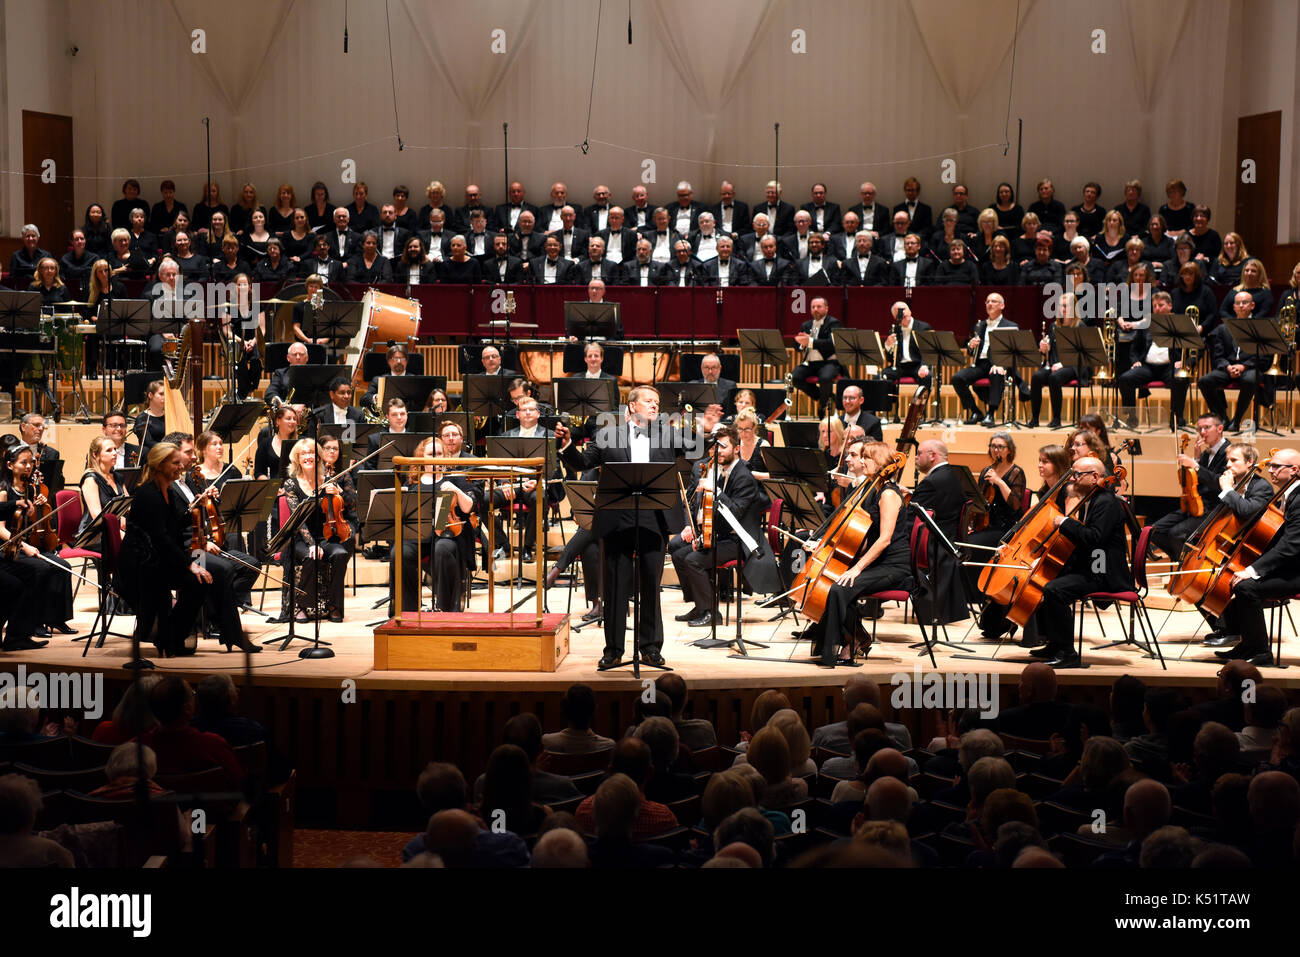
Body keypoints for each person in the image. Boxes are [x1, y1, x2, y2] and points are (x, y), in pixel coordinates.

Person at [555, 386, 682, 670]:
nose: (654, 406)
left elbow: (696, 448)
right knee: (614, 587)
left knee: (651, 585)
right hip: (617, 518)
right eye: (649, 402)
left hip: (653, 517)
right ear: (632, 406)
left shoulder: (667, 435)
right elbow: (583, 462)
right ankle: (613, 650)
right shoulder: (607, 435)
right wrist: (566, 446)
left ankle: (650, 648)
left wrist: (706, 431)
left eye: (657, 403)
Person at [796, 442, 913, 666]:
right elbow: (866, 534)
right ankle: (856, 638)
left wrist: (857, 568)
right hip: (878, 562)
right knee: (835, 582)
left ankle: (847, 647)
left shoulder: (888, 494)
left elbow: (885, 538)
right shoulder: (874, 489)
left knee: (840, 588)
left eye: (867, 458)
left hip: (894, 566)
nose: (861, 462)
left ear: (880, 463)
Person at [668, 426, 780, 627]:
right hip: (720, 534)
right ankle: (700, 605)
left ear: (737, 449)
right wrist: (698, 532)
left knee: (693, 560)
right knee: (677, 552)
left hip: (739, 539)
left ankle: (712, 613)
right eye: (716, 446)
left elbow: (734, 514)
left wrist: (716, 490)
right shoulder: (721, 471)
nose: (718, 451)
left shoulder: (744, 477)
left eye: (724, 446)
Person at [114, 443, 211, 657]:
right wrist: (190, 564)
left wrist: (196, 506)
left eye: (180, 462)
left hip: (157, 560)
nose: (181, 467)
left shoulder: (168, 491)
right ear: (160, 465)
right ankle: (168, 637)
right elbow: (161, 538)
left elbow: (174, 523)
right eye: (175, 463)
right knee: (196, 578)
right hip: (139, 565)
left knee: (200, 582)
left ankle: (169, 636)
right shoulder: (148, 494)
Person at [1214, 448, 1300, 666]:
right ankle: (1249, 644)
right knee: (1237, 581)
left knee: (1246, 586)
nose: (1270, 470)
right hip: (1288, 566)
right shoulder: (1289, 494)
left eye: (1276, 466)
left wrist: (1252, 570)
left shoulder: (1299, 499)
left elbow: (1290, 546)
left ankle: (1261, 651)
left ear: (1294, 470)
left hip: (1296, 571)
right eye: (1270, 465)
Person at [1195, 443, 1277, 649]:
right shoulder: (1235, 484)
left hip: (1254, 551)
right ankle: (1224, 627)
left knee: (1211, 579)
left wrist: (1228, 490)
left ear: (1250, 463)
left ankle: (1231, 629)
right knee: (1195, 578)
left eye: (1234, 460)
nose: (1228, 464)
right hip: (1231, 546)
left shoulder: (1262, 487)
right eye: (1227, 460)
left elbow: (1245, 510)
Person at [280, 439, 349, 623]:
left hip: (325, 535)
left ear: (318, 457)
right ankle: (301, 605)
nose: (308, 456)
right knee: (312, 556)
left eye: (311, 453)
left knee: (341, 554)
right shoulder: (291, 484)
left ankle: (334, 605)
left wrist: (338, 493)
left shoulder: (328, 481)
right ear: (297, 458)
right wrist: (311, 544)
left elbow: (347, 506)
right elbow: (298, 519)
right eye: (304, 453)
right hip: (300, 538)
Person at [910, 440, 970, 625]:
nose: (916, 457)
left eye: (919, 453)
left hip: (934, 544)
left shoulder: (931, 482)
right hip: (948, 540)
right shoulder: (950, 475)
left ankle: (872, 605)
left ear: (932, 455)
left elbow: (911, 517)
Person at [1199, 292, 1272, 431]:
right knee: (1204, 381)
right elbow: (1218, 355)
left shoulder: (1261, 327)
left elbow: (1263, 356)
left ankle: (1237, 420)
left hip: (1250, 368)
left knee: (1251, 380)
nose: (1241, 306)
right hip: (1229, 368)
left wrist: (1243, 366)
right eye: (1238, 303)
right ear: (1233, 307)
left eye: (1244, 303)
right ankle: (1223, 419)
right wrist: (1227, 367)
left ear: (1252, 305)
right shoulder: (1223, 328)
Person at [953, 292, 1020, 426]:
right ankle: (975, 411)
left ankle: (990, 414)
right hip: (980, 364)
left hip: (999, 364)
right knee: (957, 378)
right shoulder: (980, 325)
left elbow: (1014, 351)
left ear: (1002, 305)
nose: (989, 304)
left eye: (993, 301)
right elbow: (972, 353)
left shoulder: (1010, 326)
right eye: (987, 301)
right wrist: (970, 346)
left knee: (996, 373)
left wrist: (1002, 365)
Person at [1027, 305, 1085, 429]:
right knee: (1036, 377)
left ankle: (1056, 419)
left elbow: (1082, 352)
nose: (1062, 308)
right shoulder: (1054, 326)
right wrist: (1044, 348)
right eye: (1061, 306)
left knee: (1054, 377)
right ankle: (1035, 418)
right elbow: (1050, 349)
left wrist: (1063, 363)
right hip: (1055, 364)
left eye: (1065, 305)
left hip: (1073, 366)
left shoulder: (1080, 326)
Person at [790, 296, 844, 411]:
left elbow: (832, 344)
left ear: (826, 308)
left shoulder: (834, 323)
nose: (815, 309)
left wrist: (810, 341)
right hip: (811, 363)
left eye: (819, 307)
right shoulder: (806, 325)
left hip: (829, 362)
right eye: (813, 307)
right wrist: (801, 343)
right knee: (795, 378)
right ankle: (822, 398)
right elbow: (797, 346)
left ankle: (822, 407)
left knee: (825, 378)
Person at [77, 434, 126, 554]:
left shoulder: (118, 477)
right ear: (95, 455)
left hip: (115, 529)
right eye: (109, 450)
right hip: (94, 534)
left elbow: (127, 505)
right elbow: (97, 517)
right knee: (132, 546)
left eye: (115, 449)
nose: (114, 453)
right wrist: (119, 533)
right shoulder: (90, 479)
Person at [254, 404, 300, 481]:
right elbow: (259, 472)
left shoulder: (301, 443)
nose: (292, 421)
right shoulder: (265, 444)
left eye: (294, 419)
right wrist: (270, 486)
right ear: (278, 421)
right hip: (275, 489)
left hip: (297, 489)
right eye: (288, 418)